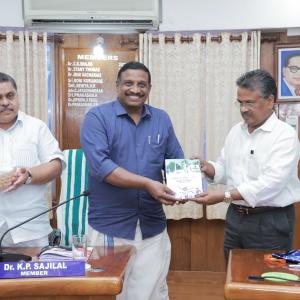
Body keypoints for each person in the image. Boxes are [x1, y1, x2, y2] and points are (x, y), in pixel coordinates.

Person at [80, 61, 184, 300]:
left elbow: (175, 160)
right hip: (111, 225)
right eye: (129, 83)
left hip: (152, 225)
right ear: (117, 86)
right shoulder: (98, 117)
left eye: (142, 84)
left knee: (151, 291)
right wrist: (147, 183)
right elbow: (101, 167)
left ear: (149, 88)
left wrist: (185, 184)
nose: (135, 89)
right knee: (109, 291)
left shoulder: (161, 118)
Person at [193, 69, 300, 262]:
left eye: (250, 102)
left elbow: (272, 183)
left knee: (267, 281)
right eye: (240, 102)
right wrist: (208, 167)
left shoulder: (284, 135)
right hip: (235, 217)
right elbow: (226, 170)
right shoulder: (236, 131)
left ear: (270, 101)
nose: (243, 109)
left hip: (270, 220)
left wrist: (224, 196)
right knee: (234, 277)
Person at [0, 72, 65, 247]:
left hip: (31, 228)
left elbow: (56, 164)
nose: (5, 102)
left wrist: (28, 174)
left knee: (35, 274)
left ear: (17, 96)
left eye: (10, 96)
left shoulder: (36, 127)